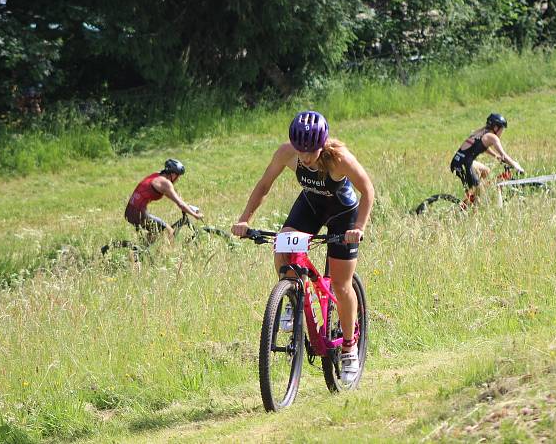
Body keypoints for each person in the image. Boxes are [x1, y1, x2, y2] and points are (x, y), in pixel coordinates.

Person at [231, 111, 375, 385]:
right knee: (282, 241)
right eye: (301, 150)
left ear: (322, 143)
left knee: (341, 284)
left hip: (341, 213)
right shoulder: (286, 153)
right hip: (310, 205)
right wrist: (244, 219)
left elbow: (367, 189)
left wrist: (359, 228)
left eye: (311, 151)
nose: (306, 157)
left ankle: (348, 347)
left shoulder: (339, 158)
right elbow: (264, 185)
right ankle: (291, 294)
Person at [450, 113, 525, 203]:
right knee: (479, 197)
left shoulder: (480, 132)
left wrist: (495, 156)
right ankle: (471, 206)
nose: (502, 132)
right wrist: (516, 165)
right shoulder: (492, 137)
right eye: (502, 129)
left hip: (458, 162)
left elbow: (482, 147)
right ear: (496, 128)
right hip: (464, 165)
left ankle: (474, 195)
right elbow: (504, 156)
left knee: (486, 171)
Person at [124, 158, 203, 243]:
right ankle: (157, 252)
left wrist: (187, 207)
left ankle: (142, 251)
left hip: (130, 211)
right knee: (169, 232)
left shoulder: (157, 175)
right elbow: (180, 204)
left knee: (157, 233)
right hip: (138, 214)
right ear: (172, 174)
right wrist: (195, 215)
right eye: (178, 176)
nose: (178, 179)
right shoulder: (165, 183)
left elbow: (174, 197)